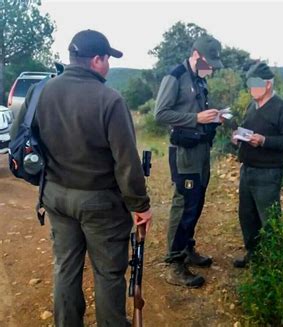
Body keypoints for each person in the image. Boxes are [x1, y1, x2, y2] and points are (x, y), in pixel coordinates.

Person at [11, 29, 152, 327]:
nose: (109, 66)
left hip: (56, 196)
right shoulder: (109, 99)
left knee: (65, 267)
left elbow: (18, 136)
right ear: (96, 60)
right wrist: (140, 205)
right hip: (100, 203)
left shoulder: (42, 91)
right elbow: (126, 162)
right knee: (108, 274)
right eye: (107, 60)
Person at [154, 35, 224, 288]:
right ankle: (174, 261)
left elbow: (198, 111)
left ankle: (187, 247)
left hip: (201, 150)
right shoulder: (175, 76)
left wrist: (215, 117)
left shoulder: (200, 78)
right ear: (196, 55)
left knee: (197, 201)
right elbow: (160, 113)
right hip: (184, 152)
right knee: (184, 202)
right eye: (209, 62)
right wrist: (196, 118)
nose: (212, 68)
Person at [232, 62, 283, 268]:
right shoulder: (251, 106)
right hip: (247, 170)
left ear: (267, 84)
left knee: (269, 220)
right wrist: (237, 137)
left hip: (268, 173)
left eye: (254, 85)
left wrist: (264, 141)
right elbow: (246, 129)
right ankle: (254, 256)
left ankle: (275, 265)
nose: (251, 89)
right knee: (247, 216)